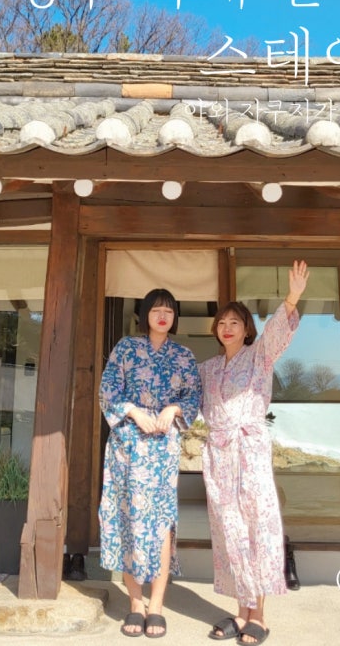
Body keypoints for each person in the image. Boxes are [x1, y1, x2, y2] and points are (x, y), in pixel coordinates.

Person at [199, 260, 309, 646]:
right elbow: (184, 396)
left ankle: (258, 614)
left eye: (235, 322)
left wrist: (291, 298)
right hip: (219, 453)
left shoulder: (260, 355)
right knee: (228, 531)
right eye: (222, 322)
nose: (227, 327)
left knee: (256, 526)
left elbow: (278, 335)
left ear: (247, 329)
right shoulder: (207, 369)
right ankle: (240, 610)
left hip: (250, 450)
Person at [98, 288, 202, 638]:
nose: (162, 316)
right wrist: (133, 411)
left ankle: (156, 606)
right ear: (145, 315)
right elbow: (108, 389)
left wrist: (174, 408)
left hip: (162, 449)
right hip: (128, 446)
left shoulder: (184, 355)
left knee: (162, 523)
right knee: (129, 518)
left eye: (169, 311)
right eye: (156, 310)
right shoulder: (126, 348)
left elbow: (193, 395)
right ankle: (135, 603)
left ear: (175, 318)